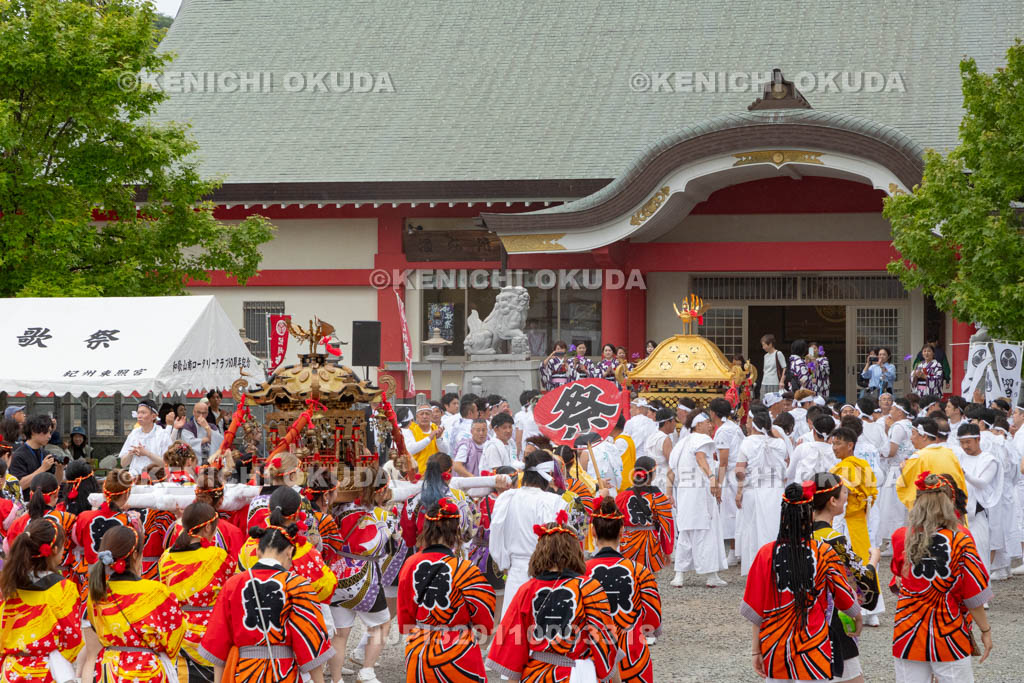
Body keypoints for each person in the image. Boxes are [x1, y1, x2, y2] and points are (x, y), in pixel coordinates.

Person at [742, 482, 861, 681]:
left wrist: (756, 650)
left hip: (776, 646)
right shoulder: (823, 552)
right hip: (814, 648)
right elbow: (845, 597)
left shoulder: (766, 553)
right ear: (810, 515)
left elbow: (757, 609)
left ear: (783, 515)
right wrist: (857, 617)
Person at [486, 509, 618, 682]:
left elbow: (515, 645)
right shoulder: (588, 587)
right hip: (580, 673)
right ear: (574, 551)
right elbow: (604, 641)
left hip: (537, 674)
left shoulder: (527, 590)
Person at [199, 515, 333, 683]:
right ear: (290, 551)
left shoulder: (233, 584)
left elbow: (218, 642)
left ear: (257, 552)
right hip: (283, 673)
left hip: (243, 673)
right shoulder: (298, 585)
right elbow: (310, 640)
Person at [890, 472, 993, 681]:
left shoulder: (902, 536)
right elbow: (972, 594)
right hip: (948, 630)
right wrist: (985, 629)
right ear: (949, 502)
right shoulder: (961, 538)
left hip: (907, 630)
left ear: (917, 502)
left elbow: (900, 578)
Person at [397, 499, 496, 682]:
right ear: (456, 531)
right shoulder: (466, 569)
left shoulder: (410, 564)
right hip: (459, 650)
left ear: (426, 528)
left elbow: (405, 621)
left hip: (421, 649)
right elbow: (485, 622)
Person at [88, 525, 186, 682]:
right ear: (135, 555)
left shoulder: (97, 592)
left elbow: (95, 626)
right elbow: (175, 633)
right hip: (147, 669)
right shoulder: (156, 592)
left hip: (109, 669)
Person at [810, 472, 881, 683]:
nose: (847, 498)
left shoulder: (799, 534)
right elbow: (862, 578)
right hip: (834, 618)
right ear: (832, 501)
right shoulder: (834, 539)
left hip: (803, 617)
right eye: (844, 494)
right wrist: (874, 559)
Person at [158, 501, 238, 682]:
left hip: (179, 632)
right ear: (208, 527)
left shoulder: (166, 557)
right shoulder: (218, 557)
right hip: (213, 633)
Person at [585, 496, 662, 682]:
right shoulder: (640, 571)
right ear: (622, 530)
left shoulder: (580, 574)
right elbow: (653, 620)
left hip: (593, 658)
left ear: (593, 531)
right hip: (633, 655)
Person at [488, 449, 571, 620]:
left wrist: (503, 561)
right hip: (546, 575)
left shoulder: (507, 498)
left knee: (514, 629)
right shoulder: (553, 501)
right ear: (547, 475)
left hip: (516, 572)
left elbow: (495, 533)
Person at [0, 517, 84, 681]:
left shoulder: (8, 584)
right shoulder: (63, 589)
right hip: (46, 670)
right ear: (53, 550)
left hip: (12, 669)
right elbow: (72, 636)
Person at [668, 410, 728, 587]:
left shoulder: (681, 443)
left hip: (685, 492)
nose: (711, 425)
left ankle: (679, 575)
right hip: (700, 491)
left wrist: (669, 491)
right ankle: (711, 576)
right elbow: (701, 458)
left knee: (686, 531)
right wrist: (711, 478)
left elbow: (671, 470)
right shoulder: (700, 440)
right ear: (698, 424)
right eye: (708, 422)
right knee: (705, 531)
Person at [735, 409, 788, 577]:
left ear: (755, 425)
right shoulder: (780, 443)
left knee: (752, 528)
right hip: (777, 490)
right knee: (775, 527)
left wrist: (739, 490)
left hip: (754, 490)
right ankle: (777, 564)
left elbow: (740, 471)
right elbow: (786, 464)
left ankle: (756, 568)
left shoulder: (747, 442)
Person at [616, 457, 674, 575]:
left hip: (627, 542)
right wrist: (667, 550)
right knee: (648, 579)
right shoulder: (658, 497)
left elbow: (614, 520)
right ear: (652, 475)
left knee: (630, 576)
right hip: (649, 544)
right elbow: (667, 525)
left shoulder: (622, 496)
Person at [829, 426, 878, 563]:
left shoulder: (842, 468)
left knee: (847, 557)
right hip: (863, 517)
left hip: (846, 518)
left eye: (838, 443)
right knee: (863, 554)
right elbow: (872, 493)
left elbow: (838, 498)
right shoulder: (864, 465)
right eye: (833, 443)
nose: (834, 447)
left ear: (850, 445)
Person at [896, 417, 967, 510]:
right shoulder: (950, 454)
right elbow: (961, 485)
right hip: (953, 510)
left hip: (932, 513)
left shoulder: (918, 457)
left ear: (924, 436)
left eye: (913, 434)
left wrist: (903, 470)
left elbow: (908, 490)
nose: (911, 438)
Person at [957, 423, 1001, 571]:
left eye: (968, 442)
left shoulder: (989, 459)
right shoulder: (959, 457)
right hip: (959, 513)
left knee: (979, 553)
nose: (965, 446)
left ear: (978, 439)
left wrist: (964, 474)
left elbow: (982, 483)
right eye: (962, 442)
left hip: (979, 513)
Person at [709, 397, 744, 562]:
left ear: (713, 413)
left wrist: (719, 483)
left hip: (730, 473)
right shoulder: (734, 427)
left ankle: (734, 551)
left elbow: (723, 460)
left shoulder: (723, 431)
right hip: (739, 471)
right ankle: (736, 550)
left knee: (730, 512)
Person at [8, 414, 61, 496]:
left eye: (50, 432)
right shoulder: (18, 455)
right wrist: (42, 469)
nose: (49, 436)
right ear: (33, 431)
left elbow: (56, 484)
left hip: (46, 502)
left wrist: (60, 468)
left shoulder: (45, 454)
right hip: (27, 504)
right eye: (46, 432)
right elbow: (18, 486)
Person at [118, 399, 171, 477]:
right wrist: (131, 453)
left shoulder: (163, 435)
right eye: (138, 413)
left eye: (143, 413)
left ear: (153, 416)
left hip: (155, 479)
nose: (139, 416)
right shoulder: (134, 434)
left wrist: (147, 453)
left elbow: (167, 463)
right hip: (135, 478)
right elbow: (123, 463)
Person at [787, 414, 839, 484]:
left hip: (804, 491)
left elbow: (790, 474)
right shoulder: (836, 451)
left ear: (814, 431)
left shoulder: (802, 448)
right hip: (827, 492)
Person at [402, 404, 443, 474]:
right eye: (421, 414)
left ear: (431, 416)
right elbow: (410, 450)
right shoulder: (409, 430)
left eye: (427, 414)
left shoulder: (437, 429)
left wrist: (439, 439)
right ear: (417, 417)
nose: (424, 416)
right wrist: (429, 438)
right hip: (416, 474)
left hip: (435, 474)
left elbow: (445, 451)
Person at [644, 407, 676, 494]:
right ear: (667, 423)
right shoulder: (665, 439)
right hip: (664, 478)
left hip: (652, 476)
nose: (675, 424)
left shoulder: (651, 437)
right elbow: (671, 461)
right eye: (673, 421)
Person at [182, 399, 223, 465]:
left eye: (204, 413)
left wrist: (207, 427)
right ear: (193, 412)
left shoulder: (212, 426)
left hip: (210, 460)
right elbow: (188, 443)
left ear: (207, 413)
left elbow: (219, 442)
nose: (201, 415)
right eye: (198, 412)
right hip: (194, 461)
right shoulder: (188, 426)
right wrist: (206, 439)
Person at [760, 333, 787, 398]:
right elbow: (765, 370)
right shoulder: (765, 356)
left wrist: (782, 381)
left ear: (770, 344)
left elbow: (785, 368)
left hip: (774, 382)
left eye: (764, 345)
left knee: (774, 401)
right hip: (764, 382)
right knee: (764, 401)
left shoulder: (778, 353)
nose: (763, 347)